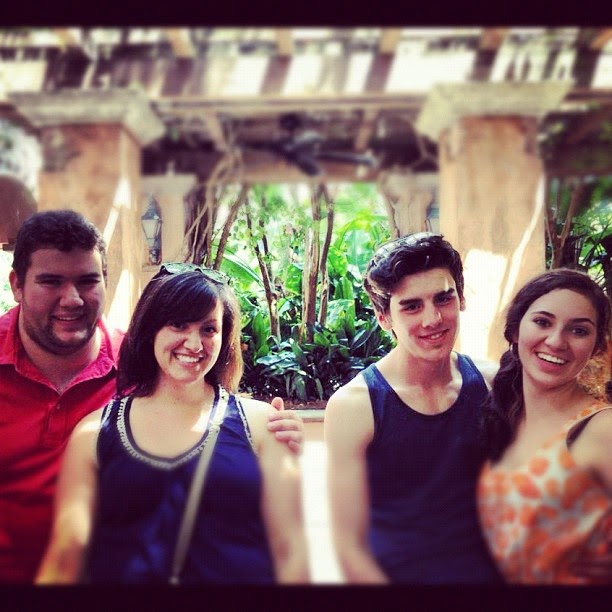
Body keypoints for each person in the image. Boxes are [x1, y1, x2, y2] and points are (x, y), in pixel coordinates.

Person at [0, 210, 304, 584]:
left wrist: (267, 429)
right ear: (17, 285)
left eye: (88, 280)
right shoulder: (101, 425)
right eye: (50, 281)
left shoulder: (142, 366)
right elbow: (69, 548)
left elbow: (288, 548)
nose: (72, 299)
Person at [324, 232, 503, 583]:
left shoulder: (490, 383)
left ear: (461, 298)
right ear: (383, 317)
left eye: (443, 298)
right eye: (411, 306)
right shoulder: (355, 406)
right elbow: (349, 548)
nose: (432, 319)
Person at [477, 269, 612, 584]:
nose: (556, 341)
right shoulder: (503, 414)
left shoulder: (601, 429)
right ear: (514, 330)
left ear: (595, 347)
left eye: (578, 330)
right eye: (542, 322)